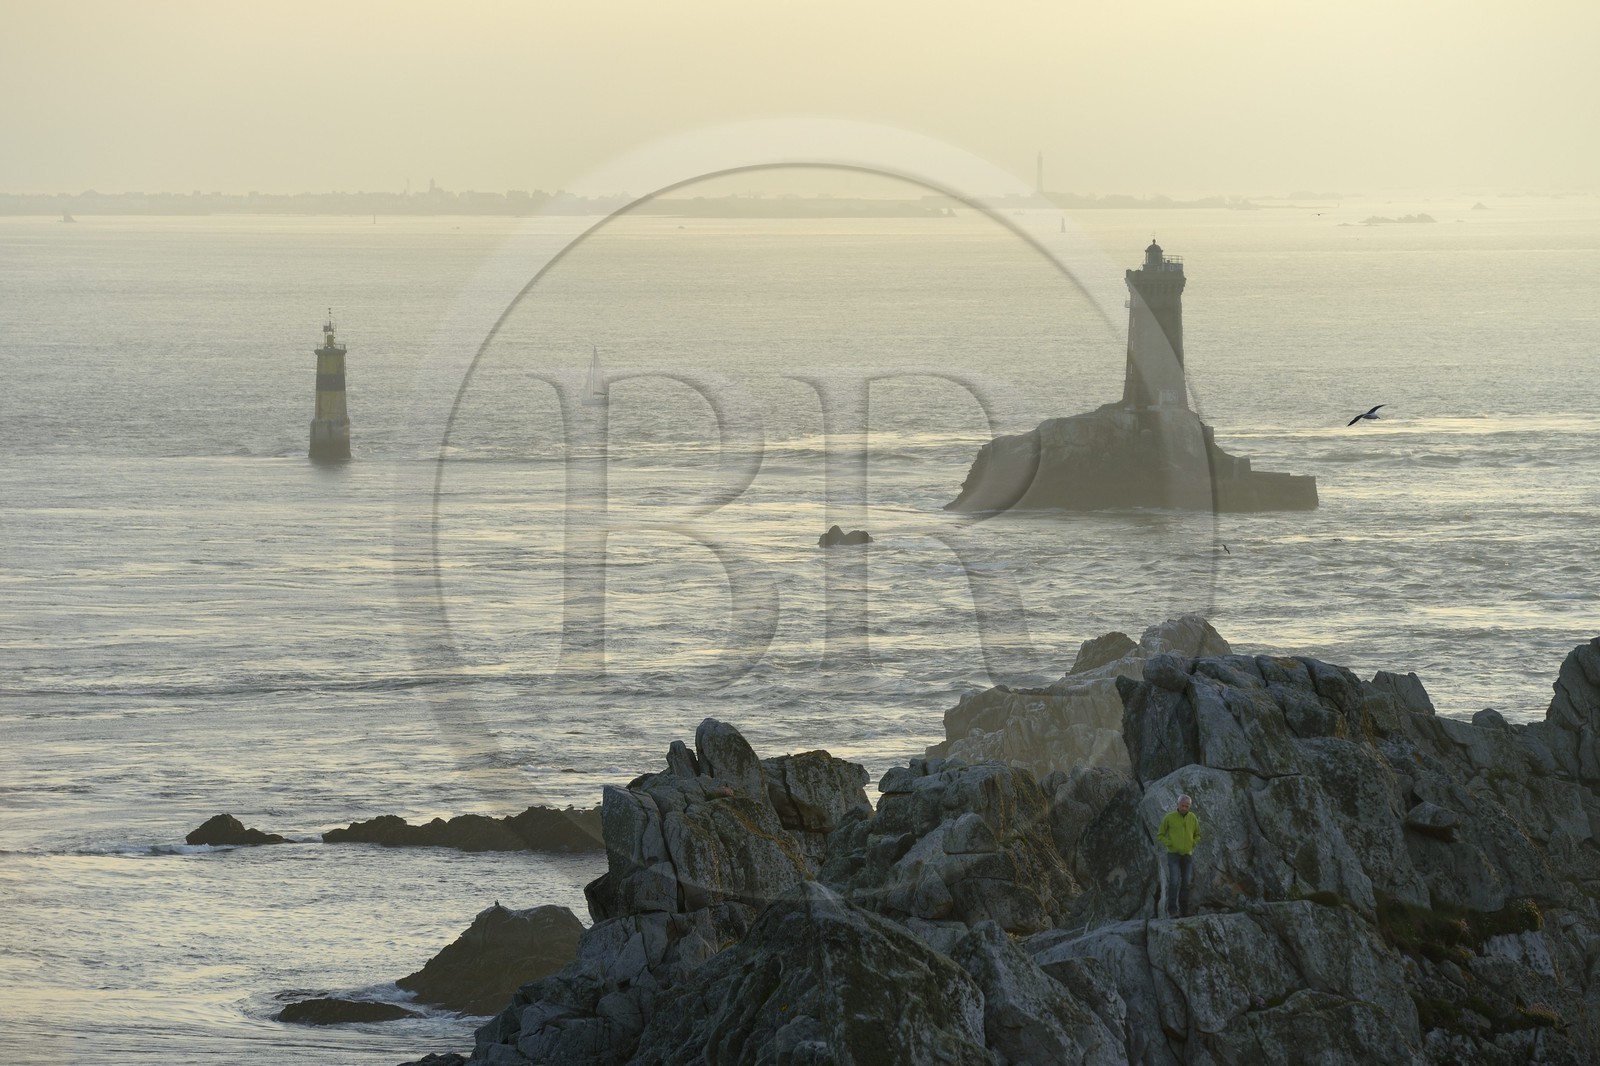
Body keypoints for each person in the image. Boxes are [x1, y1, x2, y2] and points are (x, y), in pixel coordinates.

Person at [1157, 794, 1200, 917]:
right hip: (1173, 855)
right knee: (1174, 882)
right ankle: (1172, 910)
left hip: (1187, 856)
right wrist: (1169, 843)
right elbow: (1160, 834)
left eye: (1187, 806)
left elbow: (1198, 834)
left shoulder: (1193, 818)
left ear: (1189, 806)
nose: (1184, 808)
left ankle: (1184, 910)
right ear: (1178, 804)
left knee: (1186, 883)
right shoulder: (1169, 818)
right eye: (1182, 805)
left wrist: (1193, 843)